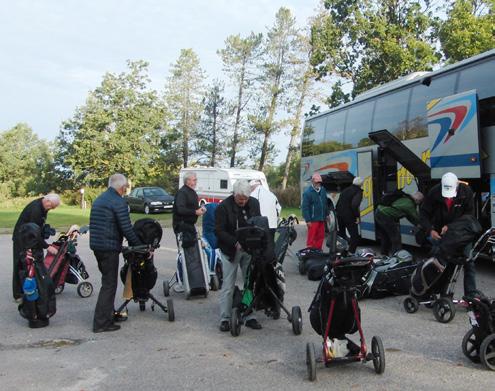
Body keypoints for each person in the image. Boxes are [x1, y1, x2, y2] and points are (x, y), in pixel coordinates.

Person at [90, 173, 143, 333]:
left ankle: (108, 314)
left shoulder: (101, 198)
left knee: (107, 281)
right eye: (125, 187)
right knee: (109, 284)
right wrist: (139, 245)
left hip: (98, 246)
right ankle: (101, 323)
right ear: (122, 187)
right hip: (109, 247)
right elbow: (126, 228)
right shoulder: (118, 202)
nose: (126, 189)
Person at [419, 172, 478, 297]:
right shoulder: (434, 192)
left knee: (469, 262)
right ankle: (434, 291)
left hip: (462, 233)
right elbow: (424, 214)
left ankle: (471, 294)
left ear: (456, 185)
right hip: (441, 234)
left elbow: (469, 217)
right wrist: (430, 230)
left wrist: (451, 227)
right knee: (440, 262)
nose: (448, 198)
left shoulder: (466, 192)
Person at [216, 179, 262, 332]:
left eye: (246, 199)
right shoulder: (223, 207)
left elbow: (258, 223)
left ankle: (249, 314)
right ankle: (225, 318)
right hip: (230, 251)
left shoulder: (254, 203)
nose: (243, 201)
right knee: (228, 285)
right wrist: (235, 242)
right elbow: (220, 231)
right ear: (234, 194)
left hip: (249, 250)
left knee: (250, 283)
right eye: (240, 199)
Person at [12, 193, 61, 302]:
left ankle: (32, 287)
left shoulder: (43, 205)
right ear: (47, 201)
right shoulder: (36, 210)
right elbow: (34, 233)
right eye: (51, 206)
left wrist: (45, 229)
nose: (51, 209)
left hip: (29, 237)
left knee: (31, 265)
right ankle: (18, 294)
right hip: (22, 238)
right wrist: (47, 246)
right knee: (20, 265)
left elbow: (38, 228)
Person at [172, 171, 206, 292]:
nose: (195, 182)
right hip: (181, 226)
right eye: (193, 180)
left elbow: (191, 208)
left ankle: (193, 280)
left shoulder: (192, 192)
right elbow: (180, 209)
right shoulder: (182, 192)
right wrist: (195, 212)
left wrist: (199, 209)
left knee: (192, 254)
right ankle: (181, 280)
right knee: (183, 253)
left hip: (190, 226)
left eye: (196, 180)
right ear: (187, 181)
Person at [375, 190, 424, 256]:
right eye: (420, 201)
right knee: (396, 237)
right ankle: (396, 257)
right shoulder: (409, 204)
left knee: (385, 236)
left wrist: (416, 224)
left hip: (379, 212)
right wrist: (424, 225)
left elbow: (409, 216)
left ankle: (384, 255)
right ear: (417, 200)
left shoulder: (406, 199)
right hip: (385, 216)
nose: (419, 204)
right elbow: (415, 217)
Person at [336, 177, 364, 253]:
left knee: (342, 235)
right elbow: (355, 205)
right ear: (361, 184)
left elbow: (338, 203)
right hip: (349, 216)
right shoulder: (358, 191)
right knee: (355, 237)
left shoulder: (345, 190)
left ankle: (341, 252)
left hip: (339, 215)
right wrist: (357, 216)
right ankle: (351, 252)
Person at [301, 173, 328, 250]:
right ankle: (310, 252)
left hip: (321, 218)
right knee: (312, 237)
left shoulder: (323, 190)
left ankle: (318, 250)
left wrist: (327, 214)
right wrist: (308, 220)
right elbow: (305, 207)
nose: (318, 183)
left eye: (319, 182)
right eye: (317, 182)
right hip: (313, 220)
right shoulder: (307, 193)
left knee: (321, 236)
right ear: (312, 181)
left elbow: (325, 203)